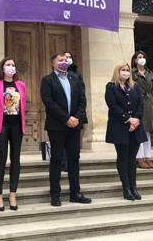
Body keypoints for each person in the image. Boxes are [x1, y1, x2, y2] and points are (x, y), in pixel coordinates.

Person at [40, 53, 91, 206]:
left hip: (75, 126)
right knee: (56, 160)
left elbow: (83, 100)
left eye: (65, 60)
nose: (63, 62)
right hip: (57, 126)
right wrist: (66, 118)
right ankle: (55, 194)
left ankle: (75, 192)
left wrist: (76, 118)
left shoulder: (75, 78)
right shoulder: (47, 80)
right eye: (60, 60)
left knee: (74, 159)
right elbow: (49, 102)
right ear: (53, 63)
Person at [0, 58, 27, 211]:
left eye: (13, 65)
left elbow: (23, 105)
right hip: (1, 126)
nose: (11, 67)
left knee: (15, 159)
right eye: (8, 65)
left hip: (17, 126)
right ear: (2, 68)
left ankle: (12, 193)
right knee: (2, 159)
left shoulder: (21, 85)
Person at [105, 62, 148, 200]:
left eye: (127, 70)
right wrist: (128, 119)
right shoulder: (111, 86)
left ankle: (133, 186)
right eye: (123, 70)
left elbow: (140, 105)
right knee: (123, 157)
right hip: (120, 127)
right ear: (117, 72)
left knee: (132, 158)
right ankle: (126, 188)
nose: (125, 72)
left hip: (135, 127)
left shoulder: (134, 86)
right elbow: (113, 105)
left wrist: (136, 120)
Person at [131, 51, 153, 169]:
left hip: (149, 102)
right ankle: (139, 158)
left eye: (143, 57)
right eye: (139, 57)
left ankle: (147, 157)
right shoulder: (132, 72)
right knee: (140, 130)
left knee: (147, 131)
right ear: (135, 60)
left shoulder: (150, 72)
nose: (142, 59)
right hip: (137, 101)